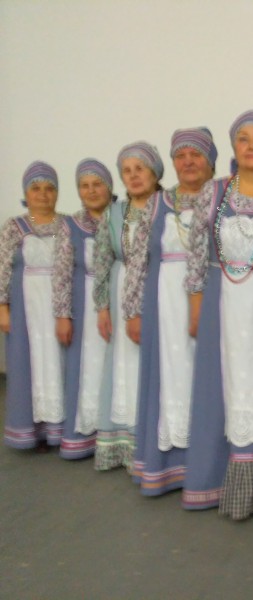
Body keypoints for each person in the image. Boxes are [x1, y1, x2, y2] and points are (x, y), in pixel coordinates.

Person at [182, 110, 253, 520]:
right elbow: (197, 255)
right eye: (243, 139)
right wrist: (196, 308)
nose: (252, 146)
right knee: (225, 389)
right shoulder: (212, 193)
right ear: (233, 147)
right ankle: (222, 482)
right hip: (225, 306)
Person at [128, 128, 217, 495]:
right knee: (172, 376)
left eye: (196, 155)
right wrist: (133, 310)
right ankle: (172, 463)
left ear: (210, 160)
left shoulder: (223, 196)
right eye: (181, 155)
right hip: (165, 302)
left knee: (211, 376)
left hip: (214, 297)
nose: (188, 162)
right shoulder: (156, 204)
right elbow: (137, 261)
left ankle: (211, 461)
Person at [93, 141, 163, 470]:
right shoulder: (114, 214)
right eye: (126, 171)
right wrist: (102, 307)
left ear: (155, 173)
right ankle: (126, 439)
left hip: (160, 288)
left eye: (140, 169)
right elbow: (102, 262)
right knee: (125, 362)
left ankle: (155, 439)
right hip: (121, 291)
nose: (133, 176)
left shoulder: (167, 207)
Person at [1, 162, 65, 451]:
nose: (43, 194)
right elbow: (2, 268)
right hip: (26, 307)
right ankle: (32, 429)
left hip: (60, 306)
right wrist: (3, 308)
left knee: (60, 363)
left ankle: (59, 428)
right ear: (26, 193)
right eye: (36, 188)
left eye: (49, 188)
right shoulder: (14, 227)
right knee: (28, 365)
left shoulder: (68, 225)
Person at [52, 159, 114, 459]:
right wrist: (62, 315)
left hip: (120, 300)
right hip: (85, 306)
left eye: (97, 184)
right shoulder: (70, 225)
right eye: (84, 186)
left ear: (109, 186)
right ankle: (88, 432)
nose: (91, 191)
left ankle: (117, 431)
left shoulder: (123, 217)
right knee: (90, 366)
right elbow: (61, 273)